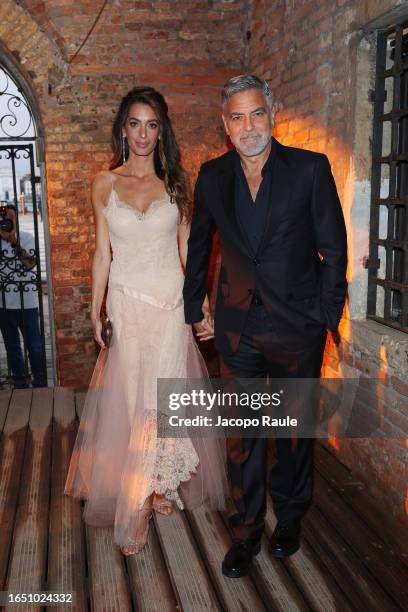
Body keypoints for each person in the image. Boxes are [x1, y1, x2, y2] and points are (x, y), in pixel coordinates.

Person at [183, 75, 347, 578]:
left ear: (271, 112)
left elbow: (333, 250)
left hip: (298, 326)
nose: (248, 126)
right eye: (237, 117)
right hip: (237, 329)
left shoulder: (309, 169)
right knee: (242, 434)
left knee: (295, 431)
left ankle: (290, 515)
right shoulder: (211, 177)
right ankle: (247, 529)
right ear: (224, 125)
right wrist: (195, 307)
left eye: (256, 114)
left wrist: (322, 316)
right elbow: (199, 248)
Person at [64, 86, 228, 556]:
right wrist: (95, 309)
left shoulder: (175, 184)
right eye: (135, 123)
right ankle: (142, 492)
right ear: (122, 129)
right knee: (137, 400)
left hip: (170, 305)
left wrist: (201, 307)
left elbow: (187, 251)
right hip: (126, 304)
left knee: (165, 400)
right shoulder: (103, 184)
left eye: (152, 124)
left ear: (162, 131)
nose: (143, 133)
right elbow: (101, 254)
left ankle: (147, 494)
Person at [0, 204, 46, 388]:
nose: (8, 220)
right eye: (4, 217)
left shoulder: (27, 238)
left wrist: (13, 242)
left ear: (17, 218)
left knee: (34, 345)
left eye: (12, 216)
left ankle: (40, 379)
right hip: (3, 303)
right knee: (12, 346)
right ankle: (19, 381)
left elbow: (30, 265)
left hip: (27, 302)